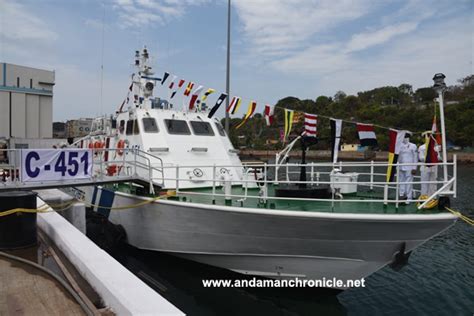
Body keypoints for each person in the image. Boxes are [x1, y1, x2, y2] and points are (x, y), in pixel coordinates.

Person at [418, 132, 440, 197]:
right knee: (424, 182)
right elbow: (421, 158)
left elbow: (438, 157)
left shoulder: (435, 148)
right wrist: (429, 157)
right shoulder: (422, 147)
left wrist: (435, 157)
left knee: (433, 182)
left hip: (434, 167)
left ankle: (432, 196)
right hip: (425, 167)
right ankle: (424, 196)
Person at [398, 132, 418, 204]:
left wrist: (414, 167)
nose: (404, 138)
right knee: (401, 182)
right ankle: (401, 196)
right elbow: (397, 157)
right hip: (400, 166)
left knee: (409, 183)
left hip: (410, 167)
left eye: (405, 137)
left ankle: (409, 198)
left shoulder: (413, 146)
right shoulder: (399, 146)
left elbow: (415, 157)